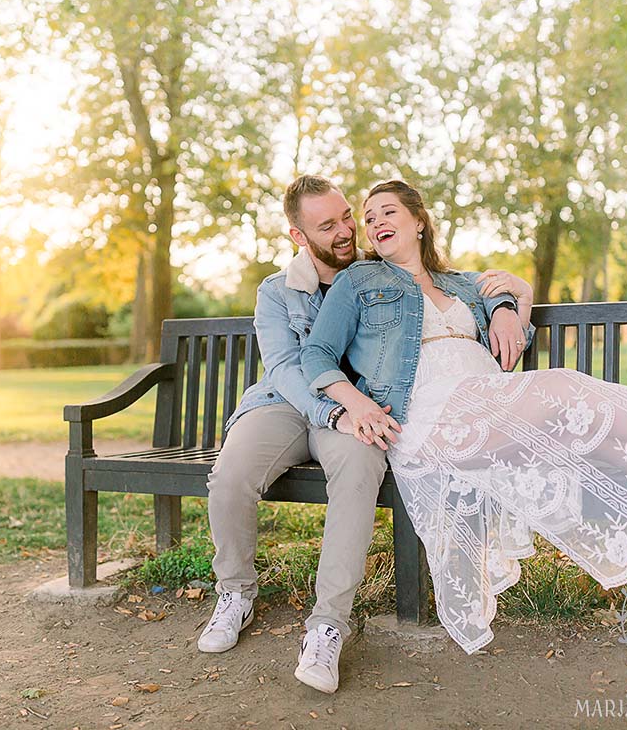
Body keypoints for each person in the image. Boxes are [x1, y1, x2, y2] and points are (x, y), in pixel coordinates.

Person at [300, 179, 627, 654]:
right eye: (368, 218)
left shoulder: (463, 284)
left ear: (419, 221)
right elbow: (316, 355)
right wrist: (358, 403)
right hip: (432, 415)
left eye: (387, 211)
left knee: (584, 441)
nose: (374, 223)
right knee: (562, 387)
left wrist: (515, 302)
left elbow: (511, 344)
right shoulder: (359, 284)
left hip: (492, 399)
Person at [198, 175, 529, 692]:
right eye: (328, 225)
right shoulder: (277, 291)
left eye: (348, 215)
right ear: (298, 236)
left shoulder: (381, 271)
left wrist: (509, 303)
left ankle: (327, 625)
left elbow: (452, 293)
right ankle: (235, 594)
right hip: (288, 404)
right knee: (231, 474)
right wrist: (334, 412)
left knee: (359, 470)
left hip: (365, 409)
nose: (348, 230)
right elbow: (287, 367)